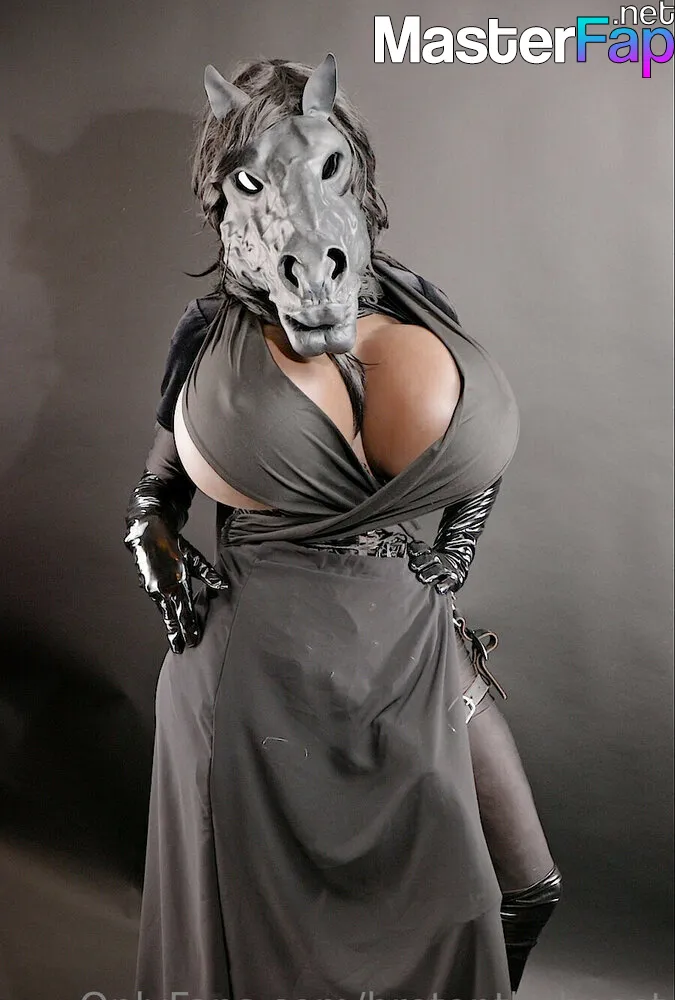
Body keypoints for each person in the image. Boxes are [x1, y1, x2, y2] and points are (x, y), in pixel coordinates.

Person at [124, 54, 562, 999]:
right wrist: (157, 551)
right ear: (226, 196)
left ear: (352, 173)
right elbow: (158, 492)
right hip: (254, 661)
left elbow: (473, 436)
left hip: (407, 646)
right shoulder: (208, 335)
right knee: (255, 929)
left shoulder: (414, 303)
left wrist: (454, 552)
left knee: (528, 887)